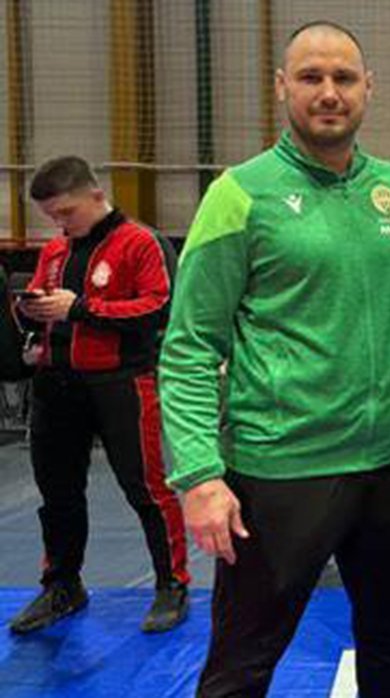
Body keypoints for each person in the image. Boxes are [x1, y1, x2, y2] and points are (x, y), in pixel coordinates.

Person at [159, 21, 390, 696]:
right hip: (279, 472)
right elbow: (190, 345)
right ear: (282, 87)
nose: (329, 93)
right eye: (311, 77)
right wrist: (198, 475)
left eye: (343, 78)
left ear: (368, 88)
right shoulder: (240, 194)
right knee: (240, 666)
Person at [5, 156, 187, 636]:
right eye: (52, 217)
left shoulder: (141, 242)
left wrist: (81, 309)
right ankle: (62, 585)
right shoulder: (54, 251)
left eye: (66, 212)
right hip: (56, 383)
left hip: (121, 382)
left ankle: (172, 583)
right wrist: (30, 316)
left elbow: (159, 308)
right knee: (58, 492)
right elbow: (44, 306)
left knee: (145, 487)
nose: (60, 224)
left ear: (95, 195)